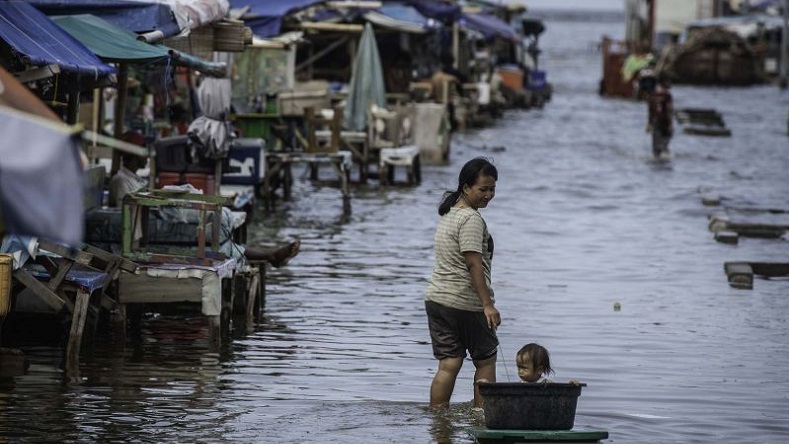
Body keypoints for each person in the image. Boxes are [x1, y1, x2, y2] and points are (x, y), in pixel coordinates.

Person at [106, 133, 300, 268]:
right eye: (143, 150)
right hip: (146, 233)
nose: (147, 156)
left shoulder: (133, 178)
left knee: (221, 235)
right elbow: (130, 215)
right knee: (216, 234)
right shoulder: (121, 180)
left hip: (155, 225)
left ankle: (270, 256)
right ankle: (270, 256)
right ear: (133, 154)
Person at [425, 157, 500, 408]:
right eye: (483, 189)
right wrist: (487, 305)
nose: (488, 195)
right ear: (466, 187)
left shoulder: (449, 214)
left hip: (437, 300)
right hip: (466, 302)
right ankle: (482, 417)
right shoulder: (471, 219)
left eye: (492, 189)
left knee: (449, 363)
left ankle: (438, 419)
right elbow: (473, 264)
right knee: (486, 361)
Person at [647, 76, 674, 159]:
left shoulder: (653, 95)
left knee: (655, 144)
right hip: (664, 121)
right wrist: (671, 124)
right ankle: (664, 157)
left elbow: (650, 109)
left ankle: (657, 157)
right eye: (668, 82)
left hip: (655, 120)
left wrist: (649, 123)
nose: (670, 84)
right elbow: (669, 110)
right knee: (665, 141)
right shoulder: (667, 96)